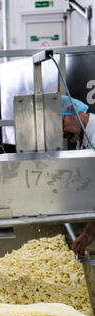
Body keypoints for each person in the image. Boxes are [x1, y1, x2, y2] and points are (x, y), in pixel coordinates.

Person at [62, 95, 95, 256]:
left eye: (62, 123)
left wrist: (90, 231)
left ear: (75, 111)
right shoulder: (83, 140)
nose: (62, 132)